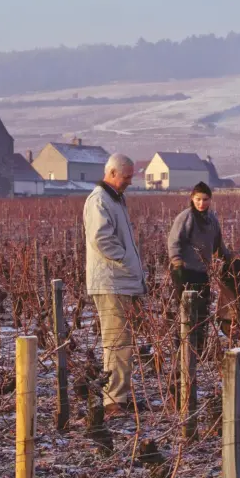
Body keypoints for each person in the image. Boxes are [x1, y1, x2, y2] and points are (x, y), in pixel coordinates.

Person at [83, 153, 147, 417]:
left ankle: (120, 395)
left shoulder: (115, 200)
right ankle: (113, 402)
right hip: (111, 282)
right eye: (127, 177)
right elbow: (102, 239)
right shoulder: (99, 200)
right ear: (111, 174)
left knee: (124, 342)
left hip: (120, 281)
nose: (129, 182)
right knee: (117, 342)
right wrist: (125, 261)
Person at [168, 181, 230, 354]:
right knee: (185, 313)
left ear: (210, 200)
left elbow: (218, 245)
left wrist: (231, 259)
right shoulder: (186, 217)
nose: (201, 203)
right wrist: (177, 262)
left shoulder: (212, 220)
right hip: (184, 271)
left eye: (205, 199)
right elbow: (174, 241)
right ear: (192, 199)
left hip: (202, 272)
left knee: (202, 311)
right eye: (198, 199)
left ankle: (198, 349)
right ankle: (181, 350)